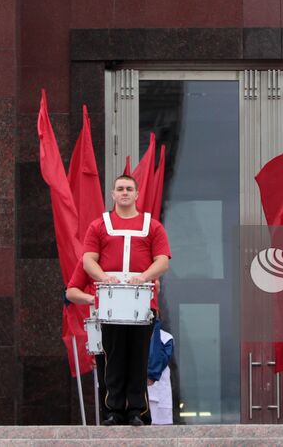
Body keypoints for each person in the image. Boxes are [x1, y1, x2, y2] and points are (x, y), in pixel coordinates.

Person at [82, 173, 171, 426]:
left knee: (139, 357)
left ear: (136, 194)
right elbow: (89, 259)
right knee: (112, 357)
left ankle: (137, 411)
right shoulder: (99, 225)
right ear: (112, 194)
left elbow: (162, 261)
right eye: (119, 188)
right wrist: (104, 278)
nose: (124, 192)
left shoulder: (152, 225)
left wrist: (143, 277)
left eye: (129, 189)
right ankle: (113, 411)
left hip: (142, 301)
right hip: (110, 302)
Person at [146, 314, 175, 425]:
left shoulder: (166, 338)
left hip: (159, 389)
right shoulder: (136, 337)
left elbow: (162, 360)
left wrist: (151, 374)